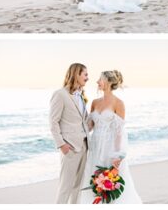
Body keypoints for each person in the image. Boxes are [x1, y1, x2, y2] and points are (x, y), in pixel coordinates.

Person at [78, 70, 142, 203]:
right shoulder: (95, 102)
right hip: (95, 146)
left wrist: (117, 154)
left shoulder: (119, 103)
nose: (97, 82)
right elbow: (90, 126)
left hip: (110, 147)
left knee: (110, 181)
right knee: (94, 178)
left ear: (108, 82)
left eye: (100, 79)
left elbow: (119, 131)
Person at [49, 63, 90, 204]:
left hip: (84, 146)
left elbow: (84, 122)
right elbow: (53, 122)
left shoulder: (81, 96)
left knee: (78, 187)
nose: (88, 78)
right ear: (76, 74)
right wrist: (61, 145)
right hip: (70, 148)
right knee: (65, 187)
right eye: (85, 74)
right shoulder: (60, 94)